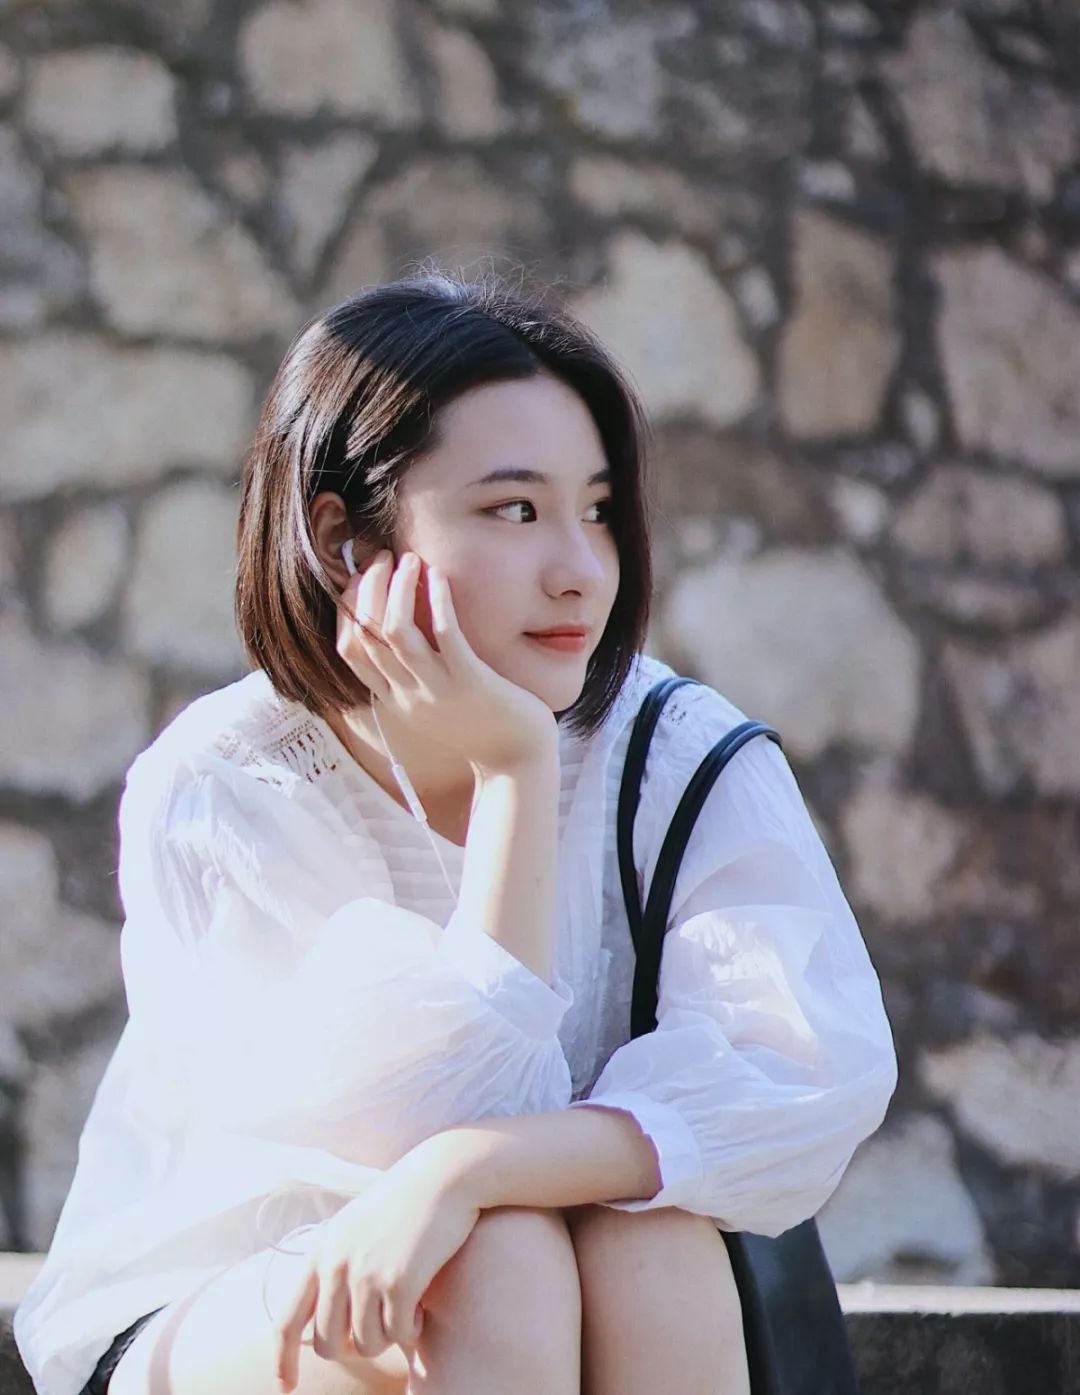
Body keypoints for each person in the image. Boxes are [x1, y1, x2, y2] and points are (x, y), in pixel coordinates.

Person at [14, 269, 898, 1395]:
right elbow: (391, 1141)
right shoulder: (226, 789)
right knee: (488, 1269)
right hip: (234, 1293)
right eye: (514, 510)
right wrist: (514, 772)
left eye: (596, 510)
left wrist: (469, 1171)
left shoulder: (678, 756)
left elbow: (804, 1088)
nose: (580, 570)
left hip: (566, 1285)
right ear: (344, 542)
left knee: (648, 1248)